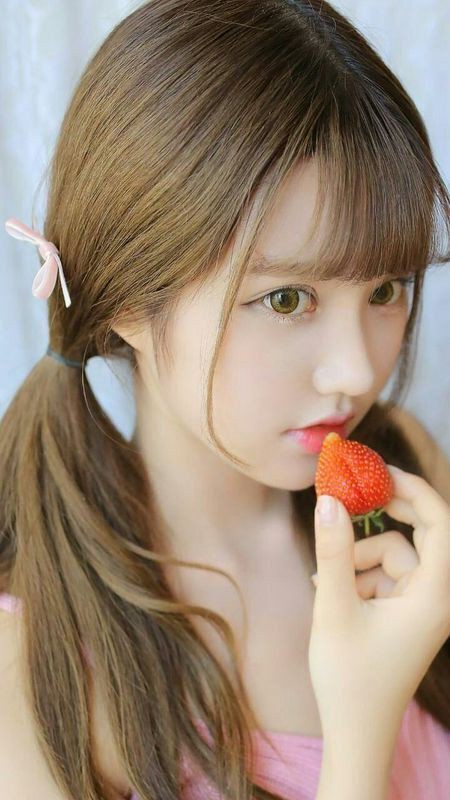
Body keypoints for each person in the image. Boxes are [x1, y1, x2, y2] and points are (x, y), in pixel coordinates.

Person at [0, 1, 449, 798]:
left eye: (386, 288)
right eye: (287, 300)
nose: (356, 371)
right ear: (131, 300)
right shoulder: (31, 665)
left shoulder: (404, 476)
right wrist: (361, 731)